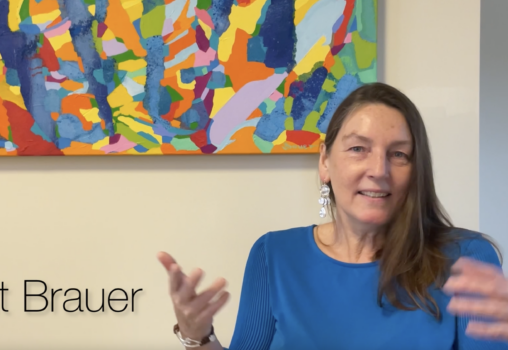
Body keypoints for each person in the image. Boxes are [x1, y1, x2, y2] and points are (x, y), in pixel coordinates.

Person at [157, 83, 508, 349]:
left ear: (416, 170)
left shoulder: (467, 257)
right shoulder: (273, 255)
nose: (378, 169)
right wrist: (197, 336)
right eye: (358, 149)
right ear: (325, 161)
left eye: (399, 155)